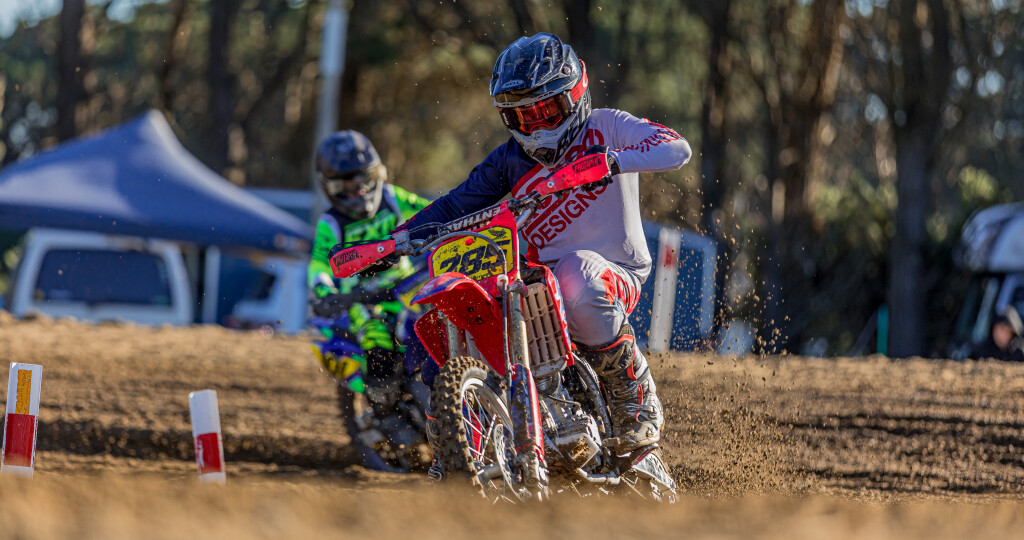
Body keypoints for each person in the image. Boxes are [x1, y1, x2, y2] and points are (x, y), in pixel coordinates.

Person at [391, 33, 692, 458]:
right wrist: (396, 241)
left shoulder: (606, 126)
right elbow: (456, 204)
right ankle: (468, 441)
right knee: (464, 311)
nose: (536, 128)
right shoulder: (508, 161)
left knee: (576, 272)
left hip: (613, 273)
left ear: (575, 95)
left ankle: (635, 400)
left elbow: (676, 147)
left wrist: (612, 160)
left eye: (546, 111)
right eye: (521, 117)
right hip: (535, 282)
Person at [308, 130, 433, 387]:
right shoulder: (330, 223)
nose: (357, 191)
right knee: (378, 346)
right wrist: (322, 289)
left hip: (407, 287)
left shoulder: (393, 197)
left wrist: (465, 219)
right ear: (329, 187)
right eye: (345, 186)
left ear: (376, 174)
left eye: (363, 180)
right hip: (362, 299)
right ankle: (380, 395)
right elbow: (320, 262)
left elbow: (433, 211)